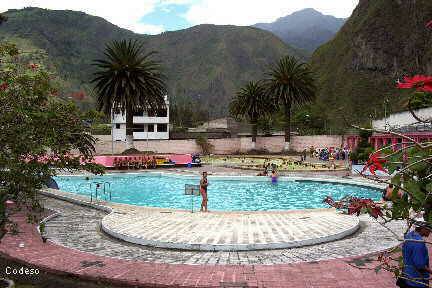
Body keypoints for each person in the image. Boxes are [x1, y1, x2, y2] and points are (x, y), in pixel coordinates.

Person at [398, 222, 431, 288]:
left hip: (406, 276)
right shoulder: (419, 243)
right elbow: (420, 266)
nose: (430, 231)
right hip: (416, 281)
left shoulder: (409, 236)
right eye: (429, 228)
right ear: (423, 228)